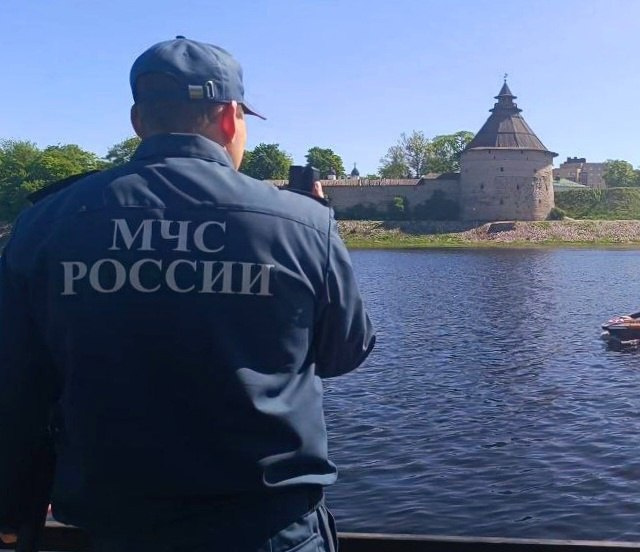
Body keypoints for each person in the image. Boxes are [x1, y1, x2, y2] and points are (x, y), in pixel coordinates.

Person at [0, 37, 375, 551]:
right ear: (228, 118)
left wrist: (15, 510)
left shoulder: (45, 222)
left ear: (138, 121)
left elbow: (16, 384)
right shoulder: (303, 223)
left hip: (116, 528)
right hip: (268, 526)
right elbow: (343, 353)